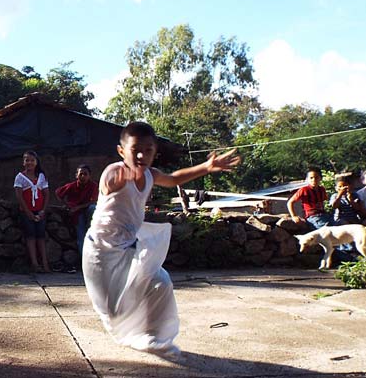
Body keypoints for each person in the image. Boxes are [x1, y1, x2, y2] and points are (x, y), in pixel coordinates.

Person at [84, 121, 240, 355]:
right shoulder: (114, 172)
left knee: (161, 282)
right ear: (121, 151)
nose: (140, 155)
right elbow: (110, 181)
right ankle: (132, 334)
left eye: (148, 150)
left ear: (155, 152)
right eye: (134, 149)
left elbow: (174, 178)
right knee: (112, 310)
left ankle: (152, 336)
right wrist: (127, 173)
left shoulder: (151, 175)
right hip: (99, 252)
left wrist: (207, 167)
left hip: (127, 249)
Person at [14, 150, 50, 273]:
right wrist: (28, 212)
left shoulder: (41, 176)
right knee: (30, 237)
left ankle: (45, 263)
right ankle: (35, 263)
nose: (29, 162)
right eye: (27, 160)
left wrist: (43, 211)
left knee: (40, 236)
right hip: (26, 212)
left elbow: (46, 194)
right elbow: (19, 197)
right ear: (23, 162)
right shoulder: (20, 177)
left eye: (32, 160)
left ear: (36, 162)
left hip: (39, 212)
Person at [55, 164, 98, 262]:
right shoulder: (72, 186)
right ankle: (85, 262)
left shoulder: (93, 186)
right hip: (77, 215)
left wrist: (78, 207)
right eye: (81, 174)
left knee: (93, 208)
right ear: (76, 175)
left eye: (85, 174)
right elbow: (58, 193)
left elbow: (93, 202)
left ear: (89, 176)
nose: (83, 176)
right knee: (81, 237)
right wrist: (66, 204)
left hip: (87, 212)